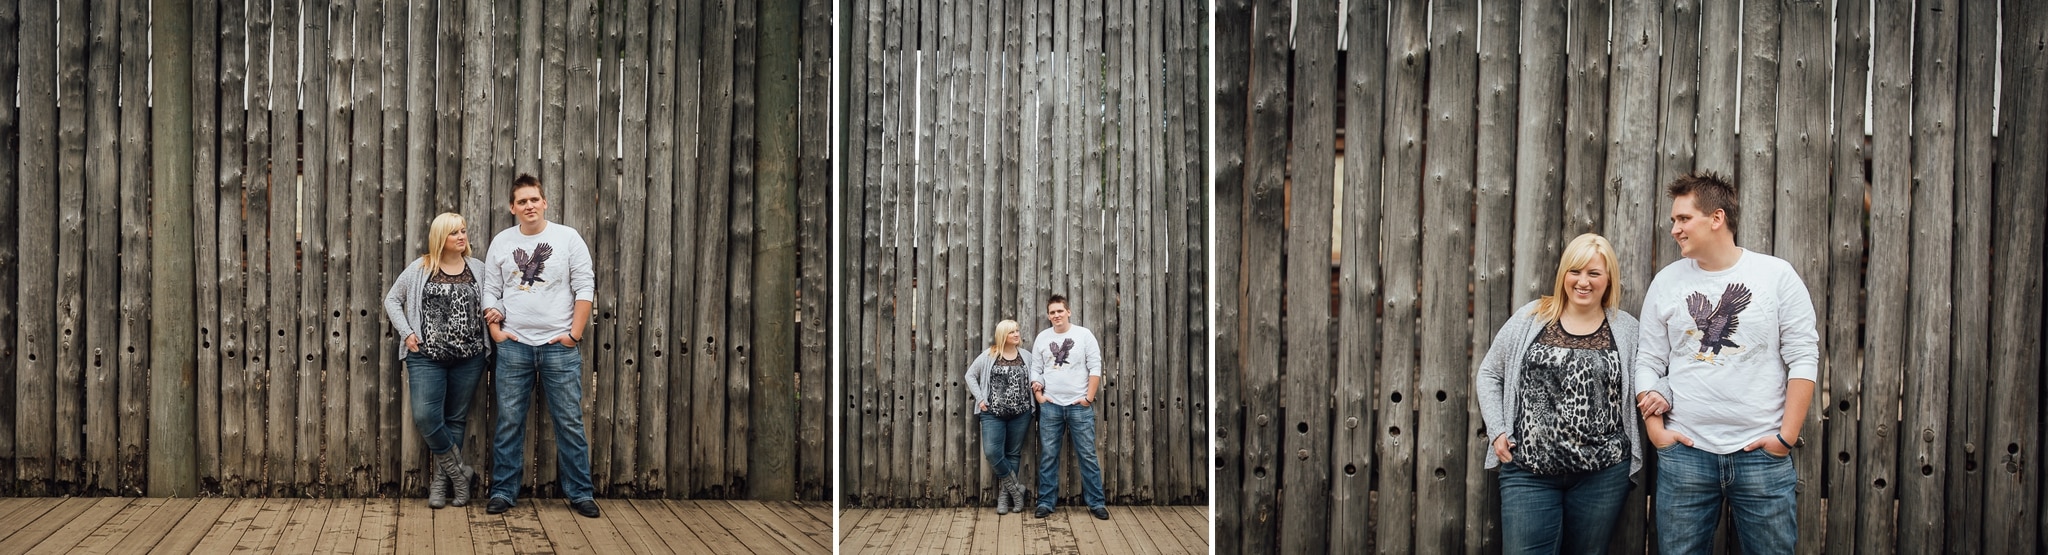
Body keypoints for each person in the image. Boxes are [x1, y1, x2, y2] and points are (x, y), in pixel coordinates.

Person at [1634, 172, 1820, 554]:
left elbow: (1803, 356)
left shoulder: (1776, 275)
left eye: (1684, 219)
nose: (1675, 229)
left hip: (1761, 457)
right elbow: (1648, 361)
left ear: (1716, 218)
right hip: (1685, 454)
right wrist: (1656, 433)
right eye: (1673, 221)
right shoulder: (1667, 282)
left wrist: (1785, 438)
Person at [1476, 233, 1656, 554]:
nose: (1583, 282)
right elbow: (1490, 372)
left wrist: (1662, 391)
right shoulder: (1532, 318)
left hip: (1602, 476)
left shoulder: (1627, 329)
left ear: (1609, 278)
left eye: (1594, 273)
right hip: (1528, 471)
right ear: (1563, 275)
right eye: (1575, 271)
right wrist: (1497, 429)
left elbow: (1656, 372)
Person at [480, 174, 601, 518]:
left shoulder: (567, 238)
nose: (529, 206)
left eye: (534, 199)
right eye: (522, 201)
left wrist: (574, 335)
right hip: (514, 345)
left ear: (544, 202)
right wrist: (496, 330)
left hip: (558, 346)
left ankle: (580, 493)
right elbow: (491, 289)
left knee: (570, 422)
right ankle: (503, 491)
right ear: (512, 207)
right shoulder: (502, 241)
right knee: (508, 422)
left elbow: (585, 287)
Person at [383, 212, 493, 509]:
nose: (461, 237)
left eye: (463, 231)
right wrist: (406, 332)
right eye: (454, 232)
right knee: (427, 417)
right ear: (440, 238)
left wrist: (498, 311)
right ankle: (460, 476)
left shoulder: (479, 269)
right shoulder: (420, 268)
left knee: (455, 419)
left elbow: (497, 299)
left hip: (469, 358)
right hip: (426, 357)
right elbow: (392, 299)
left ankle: (442, 483)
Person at [1028, 294, 1108, 520]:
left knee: (1088, 456)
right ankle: (1045, 502)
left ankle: (1096, 503)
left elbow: (1095, 367)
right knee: (1048, 456)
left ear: (1068, 312)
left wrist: (1088, 399)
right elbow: (1036, 369)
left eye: (1059, 311)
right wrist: (1039, 395)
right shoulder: (1042, 338)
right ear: (1048, 315)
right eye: (1052, 312)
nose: (1056, 316)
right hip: (1051, 406)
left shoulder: (1084, 335)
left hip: (1079, 406)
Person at [966, 319, 1040, 516]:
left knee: (1013, 454)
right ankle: (1017, 490)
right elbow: (970, 375)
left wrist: (1038, 385)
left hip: (1021, 414)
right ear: (1002, 335)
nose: (1017, 334)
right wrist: (980, 399)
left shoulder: (1026, 356)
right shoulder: (989, 355)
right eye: (1011, 332)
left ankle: (1005, 497)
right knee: (992, 452)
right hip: (992, 414)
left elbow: (1037, 376)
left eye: (1017, 331)